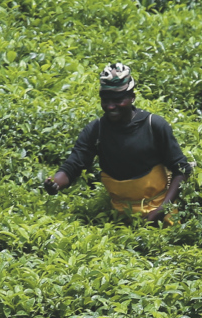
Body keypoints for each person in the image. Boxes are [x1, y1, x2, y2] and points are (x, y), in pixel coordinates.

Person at [43, 64, 191, 224]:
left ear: (132, 97)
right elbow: (73, 165)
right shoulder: (96, 130)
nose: (110, 106)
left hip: (161, 212)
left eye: (118, 100)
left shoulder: (153, 126)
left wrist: (162, 210)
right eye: (105, 100)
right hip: (119, 216)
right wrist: (56, 183)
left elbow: (182, 170)